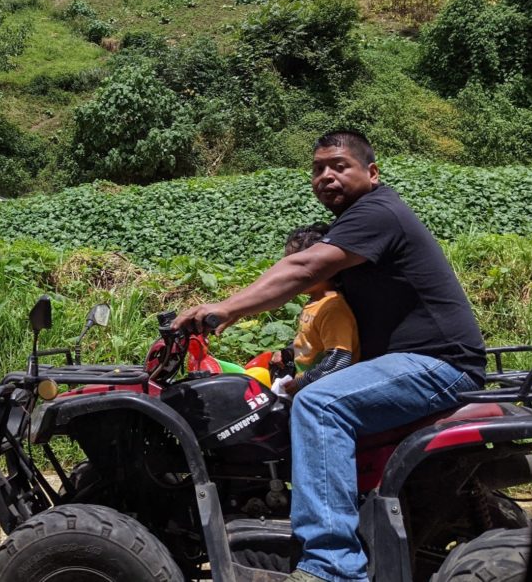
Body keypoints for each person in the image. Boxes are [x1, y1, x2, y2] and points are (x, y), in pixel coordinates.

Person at [173, 130, 486, 582]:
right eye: (318, 168)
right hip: (411, 361)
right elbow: (311, 287)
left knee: (320, 404)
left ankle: (332, 567)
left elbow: (303, 268)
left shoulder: (378, 211)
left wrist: (225, 307)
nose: (326, 175)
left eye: (340, 166)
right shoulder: (357, 221)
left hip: (438, 362)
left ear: (372, 173)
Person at [271, 223, 360, 396]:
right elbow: (311, 340)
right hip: (308, 382)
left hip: (324, 391)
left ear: (326, 268)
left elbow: (339, 361)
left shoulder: (333, 308)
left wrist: (303, 382)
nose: (291, 274)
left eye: (301, 266)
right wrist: (288, 352)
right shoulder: (314, 301)